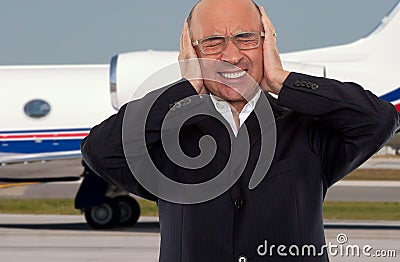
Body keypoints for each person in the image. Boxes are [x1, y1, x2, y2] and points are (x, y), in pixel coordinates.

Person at [81, 0, 399, 261]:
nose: (232, 56)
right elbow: (100, 150)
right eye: (213, 42)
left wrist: (280, 79)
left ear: (266, 43)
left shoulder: (308, 131)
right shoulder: (168, 138)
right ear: (191, 51)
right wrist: (187, 86)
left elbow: (379, 120)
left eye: (246, 38)